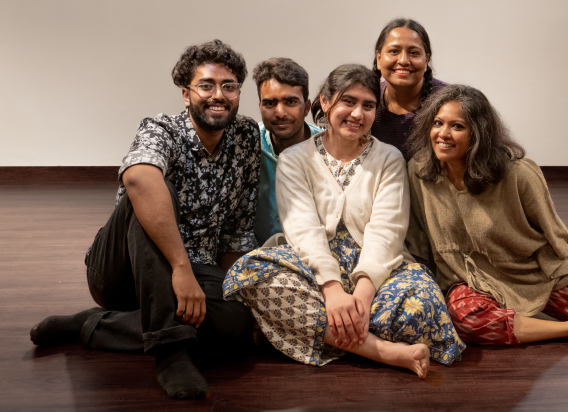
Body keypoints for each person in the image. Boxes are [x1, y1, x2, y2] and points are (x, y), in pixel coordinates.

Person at [30, 40, 260, 400]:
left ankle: (90, 325)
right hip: (122, 271)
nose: (219, 95)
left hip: (195, 269)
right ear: (186, 94)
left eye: (229, 86)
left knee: (237, 321)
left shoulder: (245, 136)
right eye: (206, 85)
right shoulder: (161, 128)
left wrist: (228, 292)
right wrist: (180, 269)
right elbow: (138, 178)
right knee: (152, 189)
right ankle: (170, 351)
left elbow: (237, 229)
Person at [223, 64, 465, 378]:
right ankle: (381, 350)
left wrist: (363, 294)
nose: (357, 114)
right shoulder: (295, 158)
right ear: (324, 102)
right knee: (251, 273)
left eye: (367, 106)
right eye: (348, 102)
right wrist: (332, 289)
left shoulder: (389, 157)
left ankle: (308, 331)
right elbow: (302, 228)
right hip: (309, 264)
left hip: (379, 266)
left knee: (422, 304)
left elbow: (387, 230)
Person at [406, 85, 568, 347]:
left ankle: (528, 318)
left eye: (457, 126)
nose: (443, 134)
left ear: (478, 134)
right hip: (472, 282)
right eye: (437, 123)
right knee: (467, 321)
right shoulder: (419, 171)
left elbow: (557, 235)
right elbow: (420, 240)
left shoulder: (518, 173)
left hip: (535, 273)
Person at [252, 57, 322, 245]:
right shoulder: (247, 145)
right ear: (260, 107)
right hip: (256, 254)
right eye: (269, 103)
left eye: (290, 102)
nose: (280, 112)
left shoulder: (328, 149)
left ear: (306, 107)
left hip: (315, 254)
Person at [370, 17, 449, 161]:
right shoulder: (366, 104)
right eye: (394, 51)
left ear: (426, 60)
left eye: (413, 53)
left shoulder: (451, 102)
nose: (403, 61)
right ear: (379, 58)